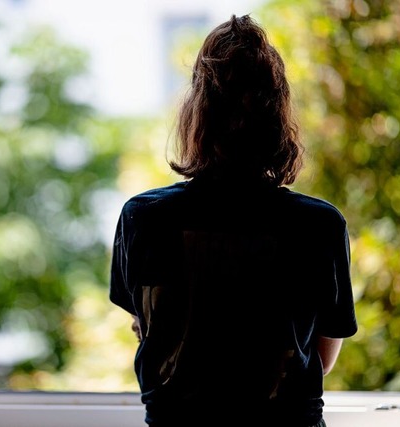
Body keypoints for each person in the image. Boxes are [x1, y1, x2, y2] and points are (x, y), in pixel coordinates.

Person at [109, 14, 358, 427]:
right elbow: (321, 358)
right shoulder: (320, 225)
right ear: (278, 116)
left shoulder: (144, 217)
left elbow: (150, 330)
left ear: (195, 113)